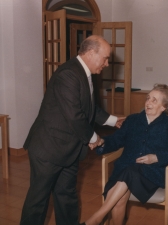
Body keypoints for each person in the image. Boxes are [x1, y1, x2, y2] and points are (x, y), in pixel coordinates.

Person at [20, 35, 124, 225]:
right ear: (91, 53)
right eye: (105, 58)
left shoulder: (85, 73)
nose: (107, 63)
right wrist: (94, 138)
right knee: (38, 201)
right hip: (48, 148)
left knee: (66, 197)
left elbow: (90, 109)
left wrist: (114, 121)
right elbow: (75, 115)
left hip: (69, 148)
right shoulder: (68, 74)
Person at [81, 84, 168, 225]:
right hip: (125, 169)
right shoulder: (132, 120)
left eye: (154, 100)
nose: (148, 102)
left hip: (152, 173)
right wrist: (102, 142)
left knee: (128, 173)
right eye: (148, 98)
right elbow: (117, 140)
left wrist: (155, 157)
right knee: (119, 200)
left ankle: (96, 219)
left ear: (164, 106)